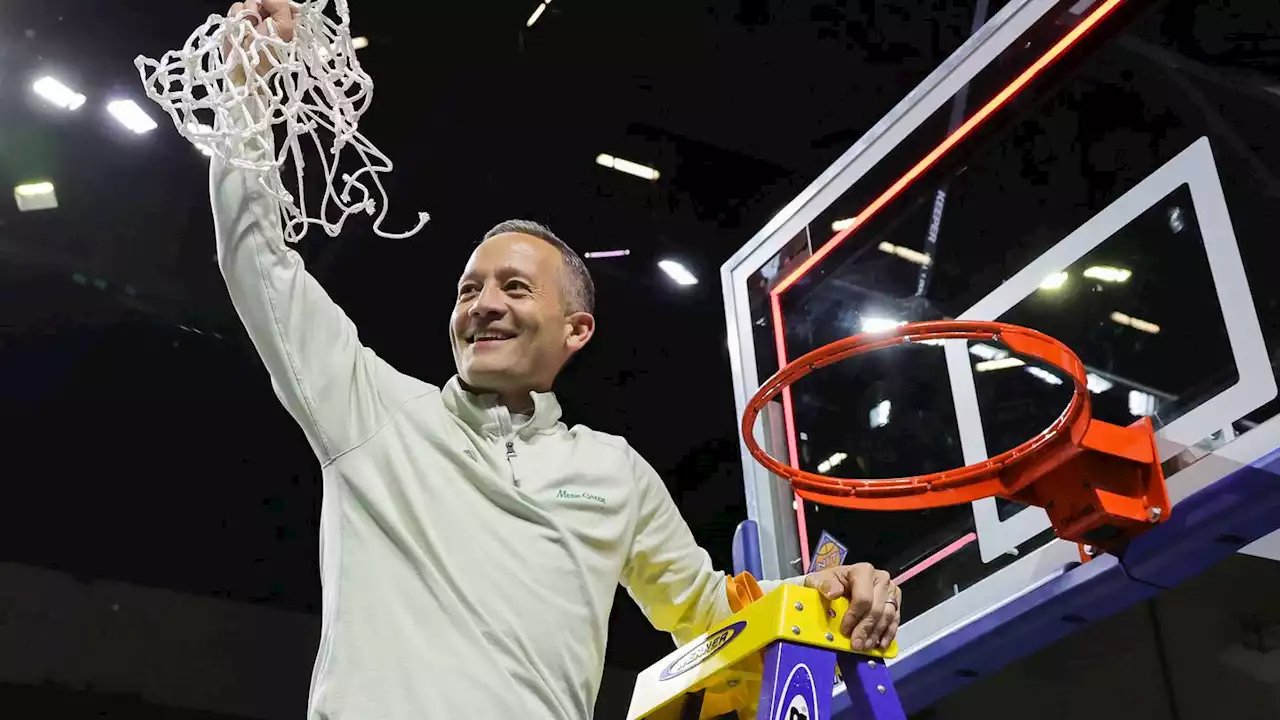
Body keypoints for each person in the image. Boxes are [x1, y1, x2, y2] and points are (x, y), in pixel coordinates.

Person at [212, 2, 902, 718]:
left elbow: (710, 617)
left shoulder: (616, 473)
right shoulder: (371, 411)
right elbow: (256, 261)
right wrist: (246, 92)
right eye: (468, 289)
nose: (483, 304)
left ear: (576, 330)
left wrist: (826, 597)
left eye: (514, 288)